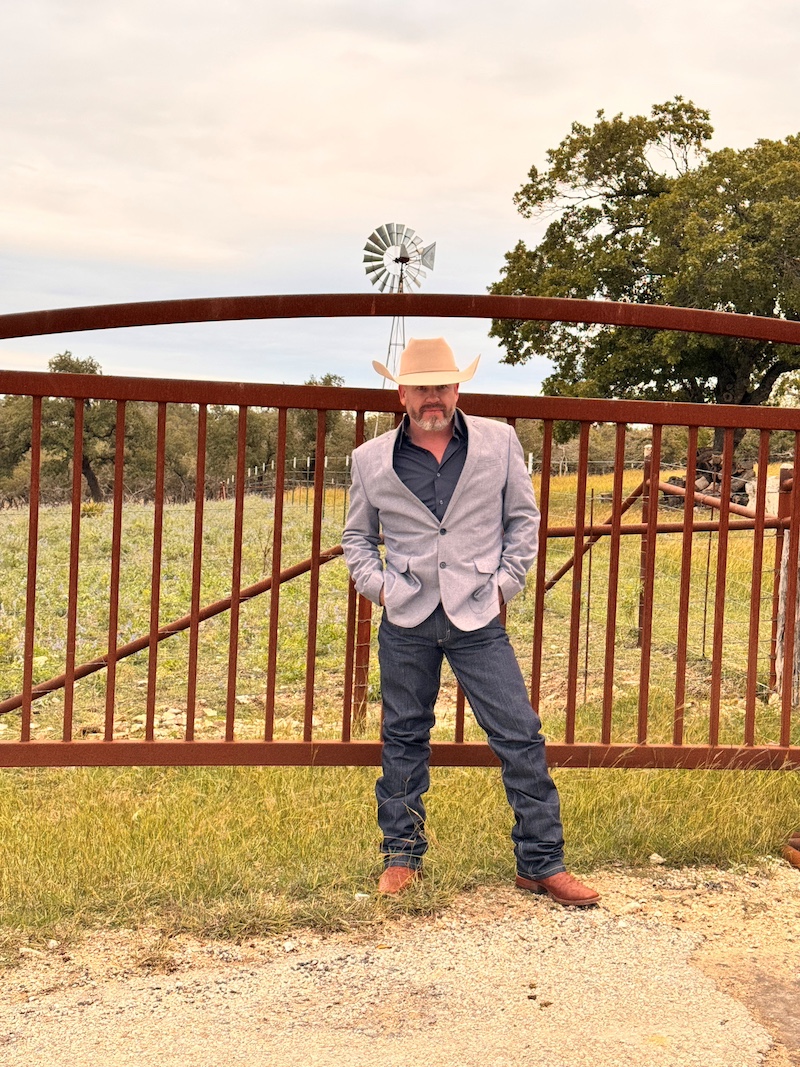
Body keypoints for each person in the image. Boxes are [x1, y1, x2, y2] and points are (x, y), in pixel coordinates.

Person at [342, 338, 600, 906]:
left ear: (458, 388)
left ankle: (542, 863)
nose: (432, 397)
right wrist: (379, 587)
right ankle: (401, 858)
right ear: (402, 393)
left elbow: (524, 520)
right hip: (406, 617)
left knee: (519, 732)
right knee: (403, 736)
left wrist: (504, 584)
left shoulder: (499, 442)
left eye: (442, 385)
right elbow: (357, 536)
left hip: (478, 614)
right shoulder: (369, 458)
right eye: (421, 387)